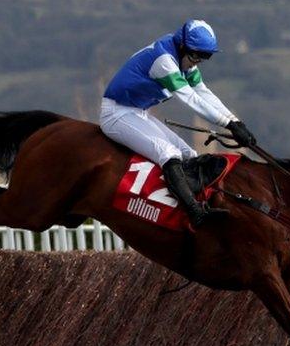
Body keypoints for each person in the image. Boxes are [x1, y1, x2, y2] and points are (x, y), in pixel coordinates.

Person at [101, 19, 256, 226]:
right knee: (168, 153)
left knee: (188, 154)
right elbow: (191, 99)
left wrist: (236, 122)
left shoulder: (185, 58)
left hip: (136, 112)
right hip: (116, 114)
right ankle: (194, 213)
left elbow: (203, 92)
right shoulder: (165, 61)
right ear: (182, 46)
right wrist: (227, 124)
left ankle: (200, 204)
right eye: (196, 55)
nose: (197, 61)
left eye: (205, 57)